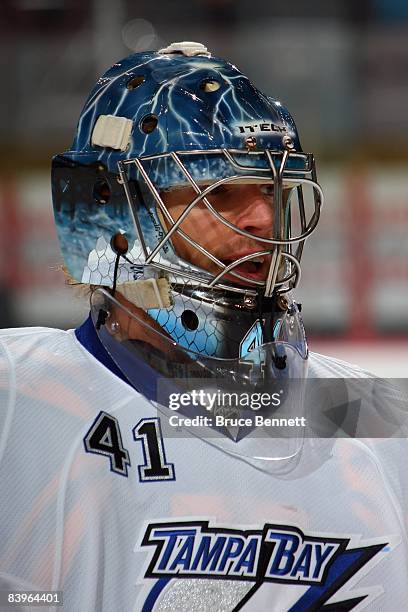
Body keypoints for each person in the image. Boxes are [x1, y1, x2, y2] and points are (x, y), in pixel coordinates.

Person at [0, 41, 407, 612]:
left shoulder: (380, 419)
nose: (265, 216)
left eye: (268, 189)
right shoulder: (19, 396)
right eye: (219, 192)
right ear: (115, 216)